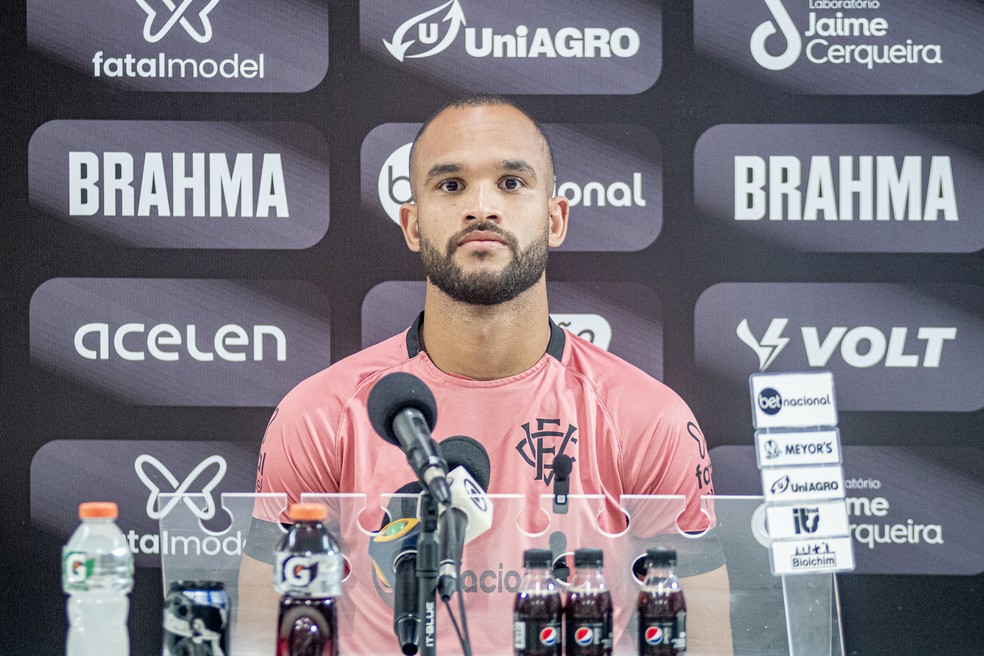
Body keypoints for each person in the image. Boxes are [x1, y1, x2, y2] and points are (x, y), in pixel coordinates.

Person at [237, 95, 732, 655]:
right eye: (450, 186)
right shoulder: (320, 414)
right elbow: (262, 638)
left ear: (555, 219)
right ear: (412, 224)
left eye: (512, 184)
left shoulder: (647, 418)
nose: (481, 207)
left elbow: (706, 643)